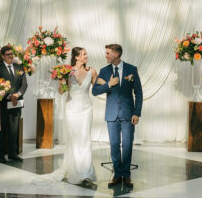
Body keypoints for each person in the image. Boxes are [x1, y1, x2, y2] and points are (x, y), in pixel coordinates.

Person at [34, 47, 98, 185]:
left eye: (86, 53)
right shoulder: (67, 71)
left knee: (85, 139)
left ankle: (86, 173)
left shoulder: (91, 71)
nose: (86, 56)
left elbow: (98, 88)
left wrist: (109, 85)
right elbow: (62, 92)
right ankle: (76, 171)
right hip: (72, 109)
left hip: (86, 109)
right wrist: (62, 81)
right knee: (75, 140)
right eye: (83, 54)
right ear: (76, 57)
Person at [92, 44, 143, 188]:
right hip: (111, 115)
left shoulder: (131, 70)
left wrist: (137, 113)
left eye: (108, 53)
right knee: (114, 145)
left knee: (127, 146)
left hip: (128, 114)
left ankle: (126, 175)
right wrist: (108, 84)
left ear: (116, 54)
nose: (106, 55)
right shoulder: (104, 71)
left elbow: (138, 93)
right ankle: (117, 174)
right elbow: (95, 91)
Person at [0, 46, 27, 163]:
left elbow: (24, 84)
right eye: (8, 54)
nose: (10, 56)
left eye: (12, 54)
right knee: (2, 130)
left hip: (16, 104)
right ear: (2, 56)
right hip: (2, 105)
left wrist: (17, 95)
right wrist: (9, 96)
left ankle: (13, 154)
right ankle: (0, 154)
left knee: (14, 130)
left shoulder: (19, 67)